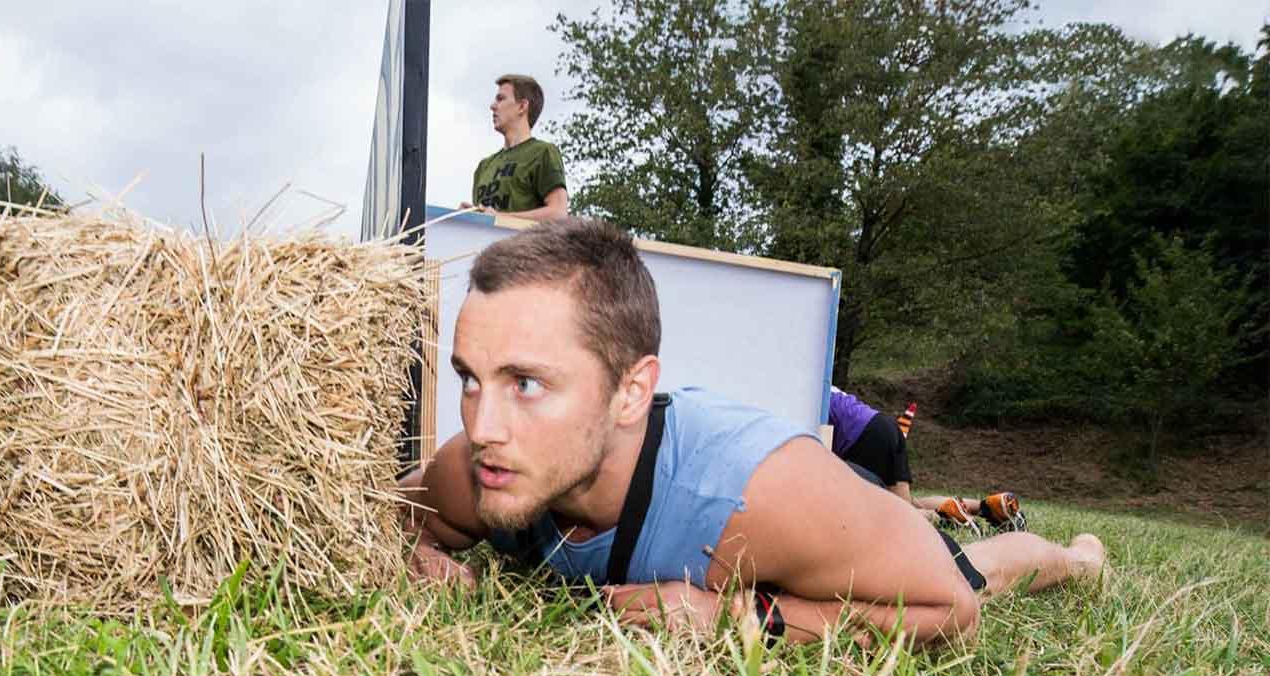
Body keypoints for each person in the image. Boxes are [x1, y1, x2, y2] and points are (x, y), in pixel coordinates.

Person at [403, 219, 1105, 646]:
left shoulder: (753, 500)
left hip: (838, 509)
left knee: (979, 575)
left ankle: (1079, 559)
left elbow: (946, 611)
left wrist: (739, 617)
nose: (483, 424)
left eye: (527, 383)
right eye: (471, 377)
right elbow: (391, 512)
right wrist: (419, 555)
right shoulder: (477, 469)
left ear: (630, 392)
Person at [828, 386, 1027, 533]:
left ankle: (945, 519)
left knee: (899, 516)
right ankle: (987, 507)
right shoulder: (817, 380)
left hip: (861, 438)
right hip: (882, 425)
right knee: (908, 503)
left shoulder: (803, 395)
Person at [461, 74, 568, 221]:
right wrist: (467, 217)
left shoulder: (543, 153)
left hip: (527, 244)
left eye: (501, 99)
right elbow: (484, 220)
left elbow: (558, 213)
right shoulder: (484, 166)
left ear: (522, 107)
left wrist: (500, 218)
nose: (492, 106)